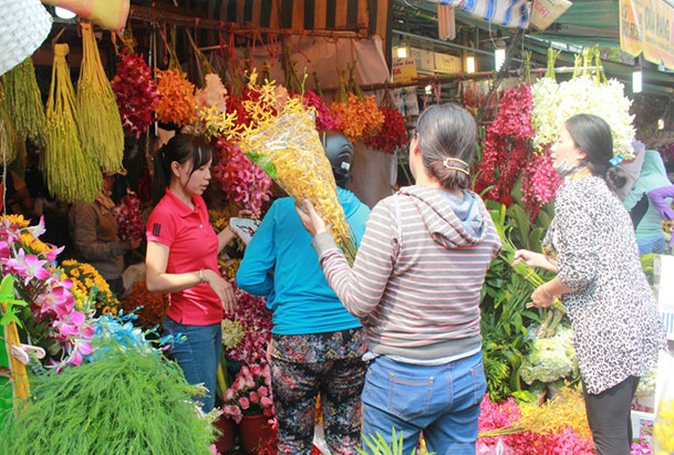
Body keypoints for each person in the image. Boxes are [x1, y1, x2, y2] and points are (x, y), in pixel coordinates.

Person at [297, 103, 502, 454]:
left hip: (403, 376)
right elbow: (484, 257)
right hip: (466, 367)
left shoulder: (393, 212)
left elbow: (359, 301)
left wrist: (323, 239)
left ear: (416, 147)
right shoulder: (480, 215)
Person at [513, 114, 666, 454]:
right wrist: (544, 261)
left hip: (609, 333)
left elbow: (581, 271)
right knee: (618, 431)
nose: (552, 148)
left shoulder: (574, 194)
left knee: (608, 439)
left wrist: (545, 291)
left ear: (580, 152)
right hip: (634, 324)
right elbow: (603, 257)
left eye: (560, 141)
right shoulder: (602, 189)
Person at [236, 131, 371, 455]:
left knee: (293, 443)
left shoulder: (284, 211)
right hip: (350, 342)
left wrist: (278, 293)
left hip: (295, 343)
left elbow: (247, 276)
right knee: (346, 441)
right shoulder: (365, 214)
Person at [144, 133, 238, 413]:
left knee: (205, 407)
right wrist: (203, 276)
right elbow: (153, 280)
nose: (208, 176)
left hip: (210, 320)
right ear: (176, 168)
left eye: (209, 168)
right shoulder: (164, 214)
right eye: (200, 168)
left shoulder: (198, 204)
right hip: (189, 326)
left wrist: (234, 228)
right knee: (200, 410)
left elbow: (205, 251)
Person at [69, 169, 140, 299]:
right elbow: (86, 248)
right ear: (99, 179)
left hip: (113, 274)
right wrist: (121, 247)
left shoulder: (103, 201)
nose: (113, 181)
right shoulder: (85, 207)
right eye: (110, 177)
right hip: (100, 278)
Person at [618, 146, 672, 254]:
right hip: (658, 237)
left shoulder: (643, 182)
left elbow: (625, 206)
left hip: (640, 238)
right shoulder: (668, 184)